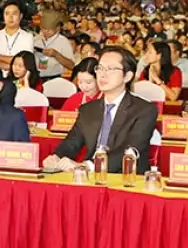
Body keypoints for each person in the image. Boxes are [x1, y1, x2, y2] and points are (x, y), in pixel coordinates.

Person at [45, 46, 159, 174]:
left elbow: (130, 151)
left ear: (127, 76)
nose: (102, 74)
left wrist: (87, 166)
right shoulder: (88, 109)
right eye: (100, 68)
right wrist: (56, 157)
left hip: (127, 179)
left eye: (110, 69)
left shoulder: (144, 110)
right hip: (90, 179)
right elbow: (72, 142)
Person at [0, 1, 34, 70]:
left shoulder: (28, 37)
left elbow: (24, 61)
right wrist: (13, 64)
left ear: (20, 16)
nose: (10, 17)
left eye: (14, 14)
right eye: (7, 14)